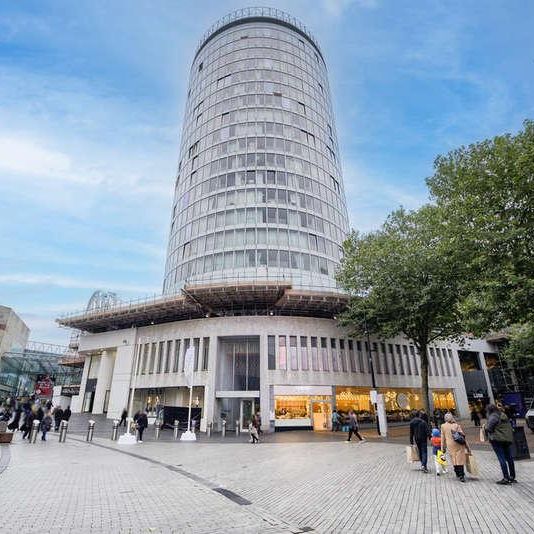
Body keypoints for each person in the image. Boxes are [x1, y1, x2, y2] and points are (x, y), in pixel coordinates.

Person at [485, 404, 516, 484]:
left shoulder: (493, 417)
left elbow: (489, 428)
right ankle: (512, 476)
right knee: (509, 458)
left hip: (497, 440)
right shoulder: (503, 415)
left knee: (501, 458)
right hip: (506, 439)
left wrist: (485, 427)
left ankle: (506, 478)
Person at [441, 412, 470, 482]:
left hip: (450, 445)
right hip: (458, 444)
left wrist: (443, 448)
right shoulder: (456, 425)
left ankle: (457, 472)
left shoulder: (443, 426)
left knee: (453, 458)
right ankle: (461, 475)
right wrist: (468, 447)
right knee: (460, 459)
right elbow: (463, 435)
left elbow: (442, 438)